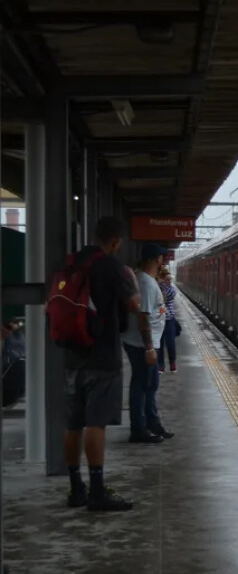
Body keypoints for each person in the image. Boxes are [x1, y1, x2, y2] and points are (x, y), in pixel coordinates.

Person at [61, 216, 151, 512]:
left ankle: (76, 488)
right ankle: (98, 490)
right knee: (95, 423)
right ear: (115, 241)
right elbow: (134, 305)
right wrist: (133, 281)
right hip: (102, 355)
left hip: (74, 354)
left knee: (73, 423)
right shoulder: (112, 266)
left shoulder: (73, 261)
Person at [122, 244, 175, 443]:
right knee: (141, 386)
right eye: (162, 257)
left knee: (150, 385)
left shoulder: (147, 280)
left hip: (146, 343)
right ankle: (138, 429)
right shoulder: (145, 283)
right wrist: (149, 348)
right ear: (156, 259)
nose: (163, 261)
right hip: (141, 344)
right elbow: (143, 318)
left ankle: (153, 423)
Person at [157, 268, 179, 372]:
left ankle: (172, 362)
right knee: (160, 343)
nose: (169, 281)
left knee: (171, 343)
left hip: (169, 319)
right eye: (167, 279)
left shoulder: (171, 289)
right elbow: (160, 299)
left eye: (170, 279)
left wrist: (164, 286)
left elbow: (167, 296)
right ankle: (161, 365)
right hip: (159, 319)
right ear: (162, 278)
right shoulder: (159, 286)